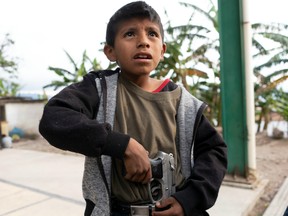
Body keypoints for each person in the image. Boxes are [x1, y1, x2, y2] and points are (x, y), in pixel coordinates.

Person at [39, 1, 227, 216]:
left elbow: (214, 151)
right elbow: (55, 118)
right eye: (130, 34)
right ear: (110, 51)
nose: (143, 42)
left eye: (152, 34)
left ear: (162, 50)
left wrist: (189, 199)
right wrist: (122, 145)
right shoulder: (98, 89)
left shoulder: (184, 102)